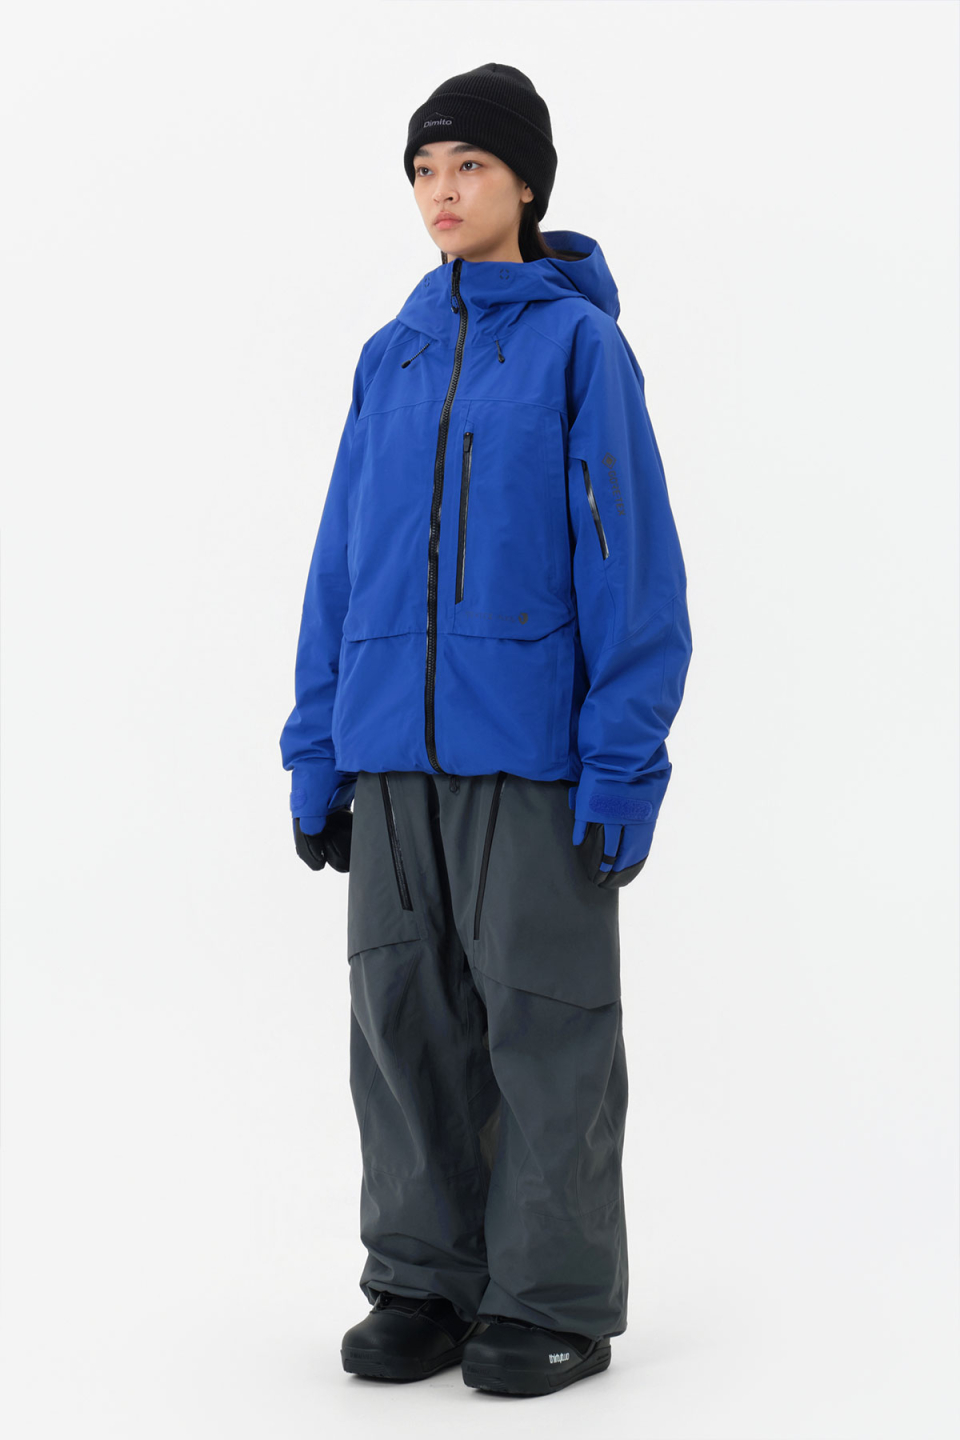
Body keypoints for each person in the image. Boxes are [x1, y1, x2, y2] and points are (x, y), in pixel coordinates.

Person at [278, 62, 693, 1397]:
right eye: (423, 170)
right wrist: (316, 750)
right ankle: (425, 1279)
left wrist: (623, 763)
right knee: (399, 1019)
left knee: (544, 1021)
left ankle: (550, 1300)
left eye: (468, 167)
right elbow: (340, 566)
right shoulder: (388, 357)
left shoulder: (581, 351)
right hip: (390, 753)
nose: (441, 192)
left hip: (531, 754)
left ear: (526, 184)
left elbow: (633, 571)